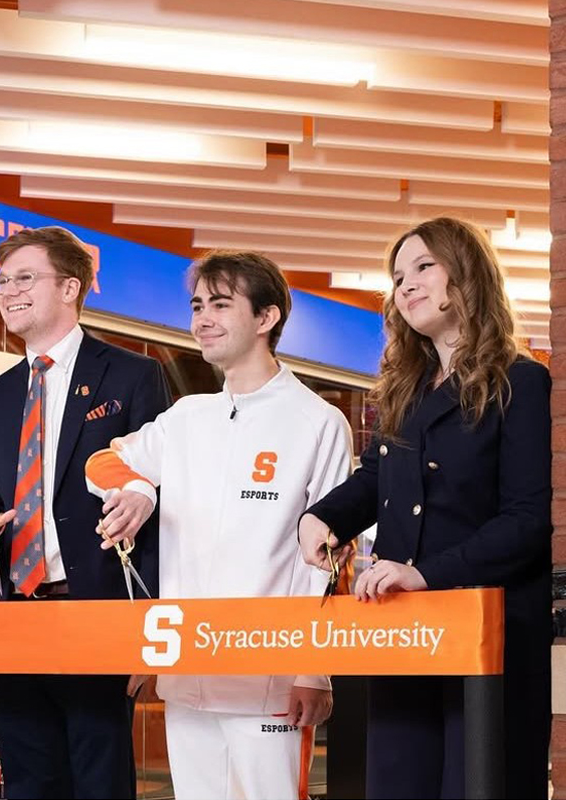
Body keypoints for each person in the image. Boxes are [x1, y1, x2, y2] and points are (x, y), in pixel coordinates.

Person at [298, 217, 552, 799]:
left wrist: (424, 573)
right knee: (397, 783)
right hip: (404, 632)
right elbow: (375, 478)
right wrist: (321, 518)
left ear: (467, 274)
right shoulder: (408, 388)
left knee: (479, 784)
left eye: (423, 268)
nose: (405, 285)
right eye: (397, 277)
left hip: (488, 632)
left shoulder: (521, 381)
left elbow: (528, 519)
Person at [84, 250, 353, 800]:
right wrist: (138, 489)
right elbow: (100, 463)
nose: (202, 318)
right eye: (197, 305)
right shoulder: (187, 417)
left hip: (272, 681)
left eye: (221, 304)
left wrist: (314, 670)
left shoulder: (318, 422)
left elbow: (328, 565)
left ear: (266, 317)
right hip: (187, 675)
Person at [0, 226, 170, 799]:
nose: (7, 291)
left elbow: (167, 499)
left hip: (97, 616)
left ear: (71, 287)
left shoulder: (130, 375)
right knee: (28, 782)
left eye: (25, 278)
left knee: (100, 782)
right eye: (2, 280)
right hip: (16, 620)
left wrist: (147, 629)